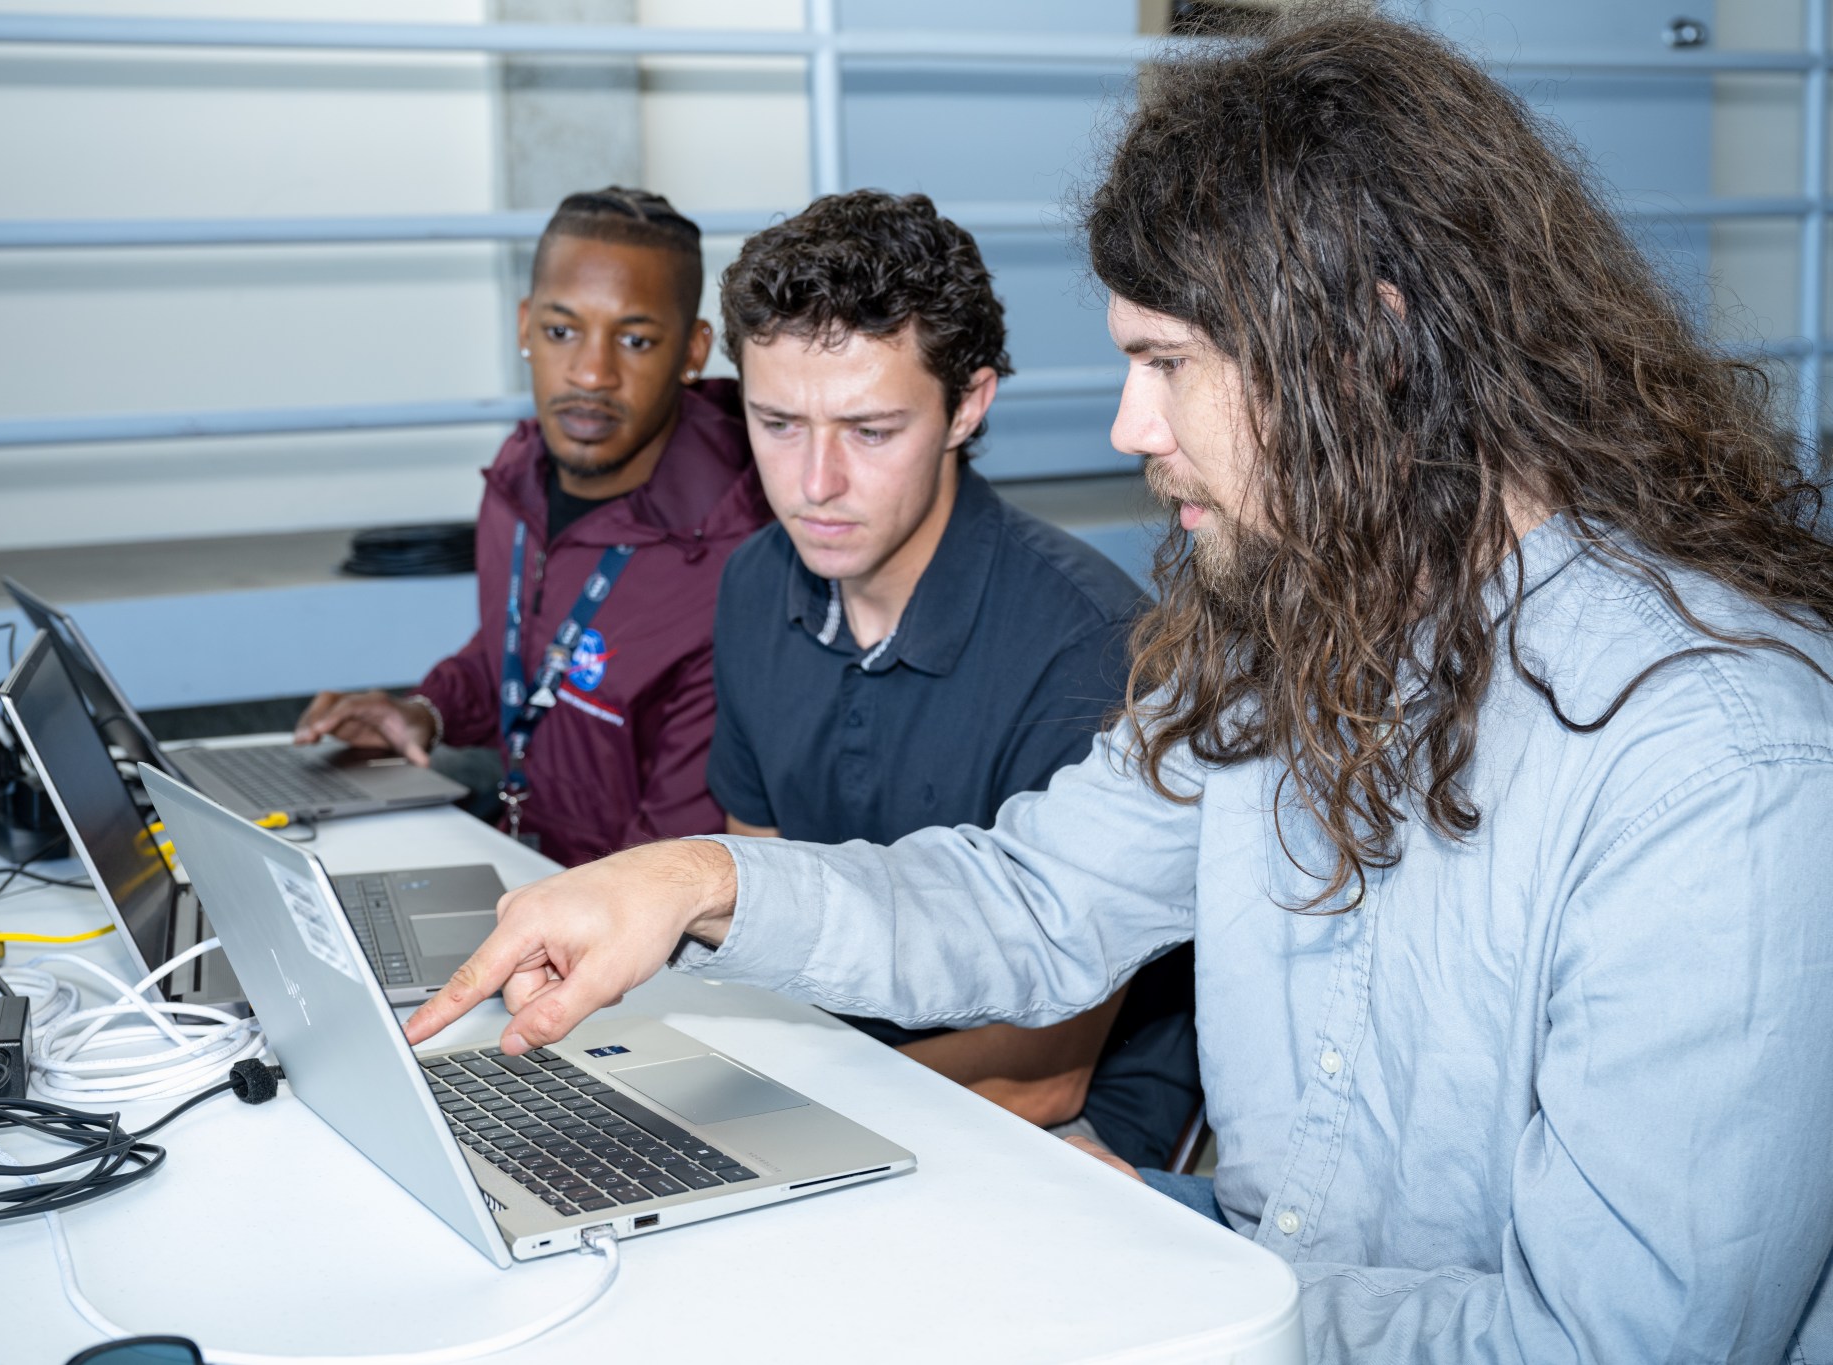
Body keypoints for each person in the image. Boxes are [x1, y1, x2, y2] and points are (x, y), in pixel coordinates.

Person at [407, 15, 1833, 1364]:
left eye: (1169, 363)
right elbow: (1033, 905)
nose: (1127, 425)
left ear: (1377, 342)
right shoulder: (1286, 631)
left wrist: (1161, 1251)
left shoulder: (1716, 767)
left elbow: (1614, 1343)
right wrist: (699, 881)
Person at [706, 188, 1200, 1158]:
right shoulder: (752, 585)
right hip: (838, 1068)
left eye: (870, 431)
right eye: (775, 423)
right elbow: (759, 901)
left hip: (1061, 1117)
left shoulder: (1091, 646)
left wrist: (774, 1114)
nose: (814, 485)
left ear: (966, 405)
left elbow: (1044, 1068)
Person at [296, 187, 769, 866]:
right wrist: (423, 712)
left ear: (694, 352)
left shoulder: (736, 559)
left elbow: (674, 862)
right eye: (560, 330)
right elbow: (524, 651)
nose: (590, 372)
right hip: (530, 861)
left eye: (634, 339)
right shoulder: (518, 474)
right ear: (524, 328)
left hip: (637, 918)